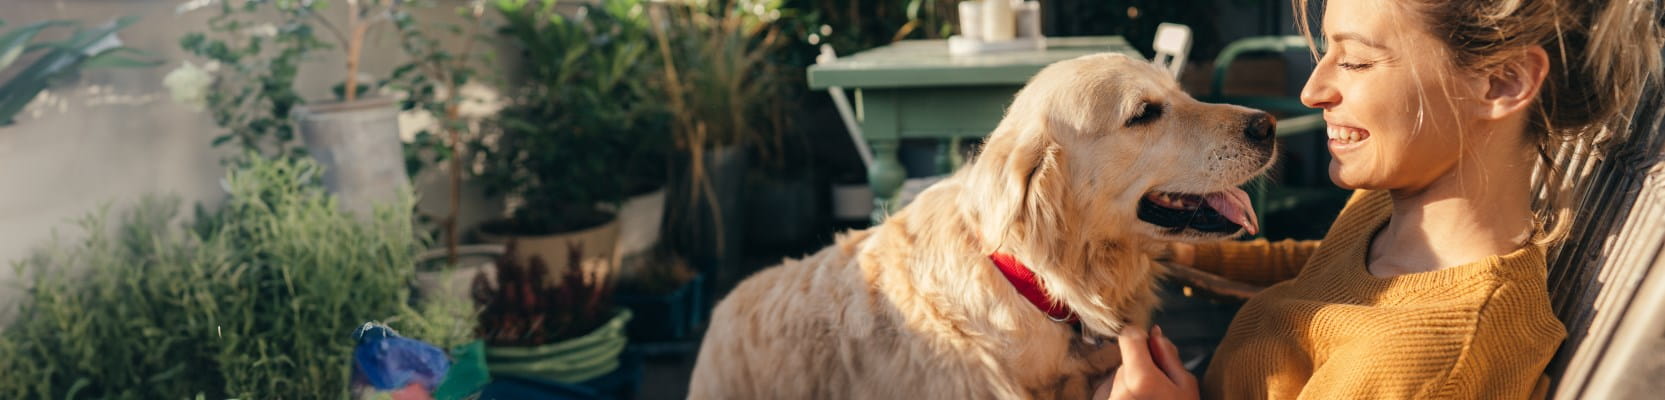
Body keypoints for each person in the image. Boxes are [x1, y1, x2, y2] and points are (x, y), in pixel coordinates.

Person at [1095, 0, 1663, 398]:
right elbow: (1323, 269)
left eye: (1357, 60)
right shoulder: (1390, 209)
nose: (1312, 90)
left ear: (1501, 82)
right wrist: (1174, 254)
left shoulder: (1425, 361)